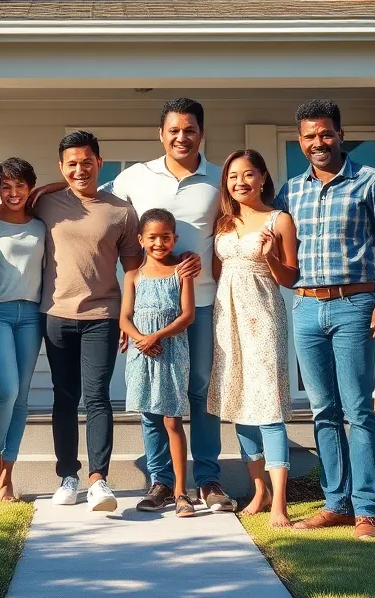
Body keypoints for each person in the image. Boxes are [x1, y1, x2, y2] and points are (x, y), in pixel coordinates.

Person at [275, 100, 375, 540]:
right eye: (310, 136)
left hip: (354, 306)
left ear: (340, 134)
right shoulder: (291, 191)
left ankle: (367, 509)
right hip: (306, 307)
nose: (319, 142)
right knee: (322, 410)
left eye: (326, 133)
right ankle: (336, 504)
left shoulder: (369, 180)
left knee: (357, 408)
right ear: (300, 140)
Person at [110, 97, 236, 513]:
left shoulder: (220, 179)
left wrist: (211, 257)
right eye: (174, 130)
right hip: (147, 308)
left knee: (199, 392)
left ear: (202, 133)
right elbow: (92, 200)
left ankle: (208, 480)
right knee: (152, 399)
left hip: (199, 305)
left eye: (190, 130)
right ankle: (161, 481)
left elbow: (234, 228)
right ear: (161, 134)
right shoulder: (135, 178)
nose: (182, 137)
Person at [32, 131, 142, 512]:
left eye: (86, 161)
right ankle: (68, 476)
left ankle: (99, 480)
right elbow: (4, 211)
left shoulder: (121, 211)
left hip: (103, 316)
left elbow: (133, 271)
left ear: (99, 162)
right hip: (55, 315)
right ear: (62, 167)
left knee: (97, 397)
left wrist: (127, 318)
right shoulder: (44, 203)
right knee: (64, 398)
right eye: (71, 163)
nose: (80, 169)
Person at [208, 150, 299, 526]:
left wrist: (271, 256)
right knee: (238, 401)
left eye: (248, 175)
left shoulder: (279, 220)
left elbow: (291, 277)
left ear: (263, 177)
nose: (240, 182)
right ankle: (258, 489)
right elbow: (218, 273)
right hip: (226, 319)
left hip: (263, 317)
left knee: (268, 405)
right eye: (232, 177)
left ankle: (280, 501)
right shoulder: (223, 223)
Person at [121, 208, 197, 517]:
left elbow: (187, 315)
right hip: (142, 354)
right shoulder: (133, 276)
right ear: (141, 239)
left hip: (171, 353)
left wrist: (157, 337)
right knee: (149, 418)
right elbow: (124, 318)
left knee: (171, 419)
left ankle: (180, 490)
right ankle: (158, 484)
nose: (159, 243)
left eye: (166, 237)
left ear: (174, 238)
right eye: (152, 237)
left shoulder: (182, 272)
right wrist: (141, 337)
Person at [0, 158, 46, 503]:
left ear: (30, 188)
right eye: (5, 186)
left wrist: (42, 192)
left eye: (20, 185)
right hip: (1, 313)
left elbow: (57, 188)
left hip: (32, 314)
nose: (13, 192)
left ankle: (7, 474)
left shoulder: (41, 225)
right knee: (6, 390)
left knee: (22, 397)